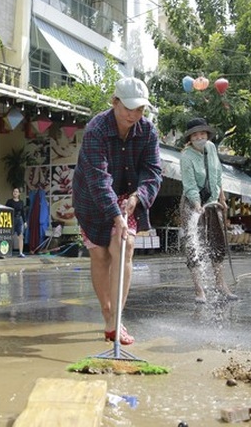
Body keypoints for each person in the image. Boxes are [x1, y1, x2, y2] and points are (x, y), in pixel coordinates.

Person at [72, 77, 162, 345]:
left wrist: (138, 197)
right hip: (92, 195)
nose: (134, 115)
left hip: (129, 196)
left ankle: (116, 321)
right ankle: (107, 312)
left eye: (140, 110)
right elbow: (98, 178)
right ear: (114, 102)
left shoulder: (148, 131)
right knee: (100, 255)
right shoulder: (96, 129)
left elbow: (153, 171)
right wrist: (114, 215)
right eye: (128, 108)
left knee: (124, 248)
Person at [178, 118, 236, 302]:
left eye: (202, 133)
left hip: (212, 202)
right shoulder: (186, 156)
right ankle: (199, 289)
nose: (199, 137)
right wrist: (196, 205)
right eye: (195, 135)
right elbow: (189, 185)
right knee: (194, 244)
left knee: (217, 242)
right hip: (192, 204)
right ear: (190, 138)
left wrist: (222, 198)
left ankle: (221, 284)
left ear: (207, 134)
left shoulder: (211, 148)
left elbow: (217, 174)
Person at [6, 187, 27, 257]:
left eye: (16, 192)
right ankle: (6, 251)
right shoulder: (9, 201)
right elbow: (6, 211)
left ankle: (21, 252)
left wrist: (25, 222)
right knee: (9, 236)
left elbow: (23, 212)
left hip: (19, 219)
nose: (15, 193)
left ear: (19, 194)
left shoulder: (21, 202)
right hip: (11, 219)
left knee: (20, 236)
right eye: (14, 191)